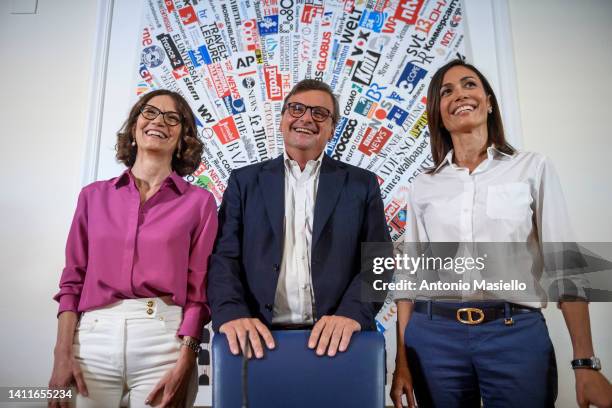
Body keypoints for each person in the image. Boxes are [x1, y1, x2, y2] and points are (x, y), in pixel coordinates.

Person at [390, 60, 612, 408]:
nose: (459, 95)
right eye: (446, 92)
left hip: (515, 335)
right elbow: (409, 276)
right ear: (438, 112)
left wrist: (585, 363)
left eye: (469, 85)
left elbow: (566, 267)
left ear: (489, 100)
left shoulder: (532, 167)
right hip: (435, 339)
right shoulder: (423, 184)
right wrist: (401, 361)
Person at [48, 89, 218, 407]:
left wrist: (187, 357)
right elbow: (72, 281)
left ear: (184, 137)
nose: (159, 122)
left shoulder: (200, 203)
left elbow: (200, 291)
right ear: (136, 125)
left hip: (164, 339)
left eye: (173, 118)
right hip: (91, 338)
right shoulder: (92, 196)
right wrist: (61, 353)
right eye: (150, 112)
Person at [208, 79, 390, 359]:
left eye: (320, 113)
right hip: (257, 339)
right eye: (296, 109)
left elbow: (379, 260)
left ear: (332, 129)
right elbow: (223, 257)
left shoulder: (361, 184)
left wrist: (352, 313)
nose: (306, 118)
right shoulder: (244, 182)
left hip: (337, 341)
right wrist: (232, 312)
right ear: (282, 120)